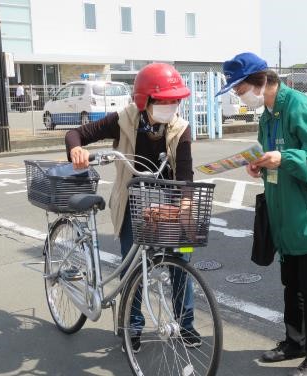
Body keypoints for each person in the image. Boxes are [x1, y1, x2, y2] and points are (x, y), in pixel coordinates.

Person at [216, 53, 307, 376]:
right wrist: (259, 165)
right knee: (290, 281)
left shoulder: (297, 106)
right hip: (285, 209)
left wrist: (284, 158)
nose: (240, 98)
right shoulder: (267, 113)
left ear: (260, 81)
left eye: (240, 90)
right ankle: (295, 342)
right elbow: (272, 156)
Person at [65, 63, 202, 352]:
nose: (171, 106)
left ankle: (186, 324)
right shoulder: (124, 119)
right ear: (145, 100)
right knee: (133, 265)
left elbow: (186, 175)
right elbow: (77, 134)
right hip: (133, 201)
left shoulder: (180, 128)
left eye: (174, 100)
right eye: (164, 100)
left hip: (170, 204)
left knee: (181, 263)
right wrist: (76, 149)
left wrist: (185, 205)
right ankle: (133, 326)